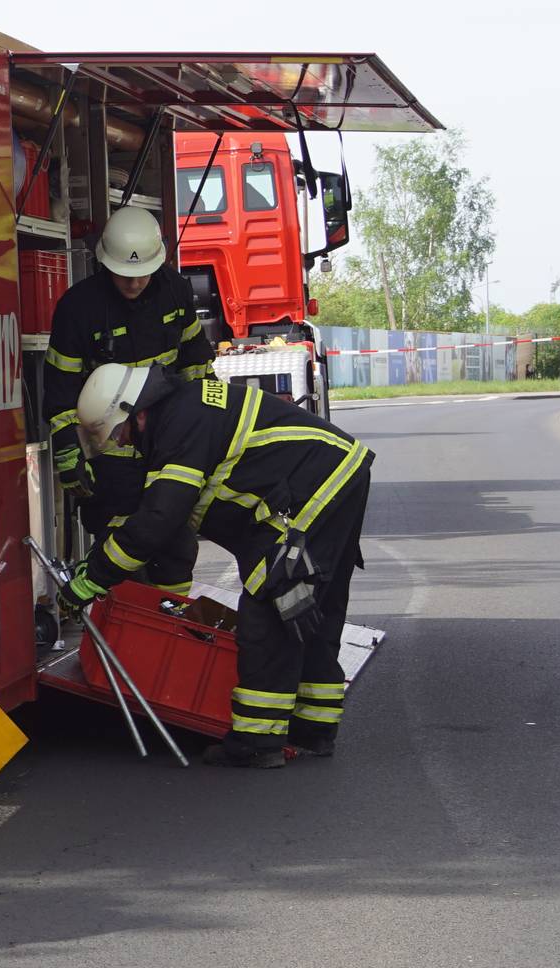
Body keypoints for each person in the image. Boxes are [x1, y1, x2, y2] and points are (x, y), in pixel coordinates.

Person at [61, 367, 372, 769]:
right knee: (311, 605)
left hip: (316, 484)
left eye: (120, 431)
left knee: (272, 603)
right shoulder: (186, 409)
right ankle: (314, 727)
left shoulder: (179, 423)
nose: (123, 442)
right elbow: (156, 509)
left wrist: (91, 580)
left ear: (135, 410)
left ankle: (256, 742)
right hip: (335, 475)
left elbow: (160, 517)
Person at [40, 207, 218, 594]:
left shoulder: (175, 290)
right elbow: (60, 388)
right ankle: (128, 632)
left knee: (175, 541)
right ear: (104, 261)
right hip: (110, 453)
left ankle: (172, 635)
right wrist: (69, 454)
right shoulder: (78, 308)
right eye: (125, 273)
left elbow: (195, 362)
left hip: (168, 446)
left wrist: (211, 423)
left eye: (142, 273)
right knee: (119, 546)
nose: (134, 282)